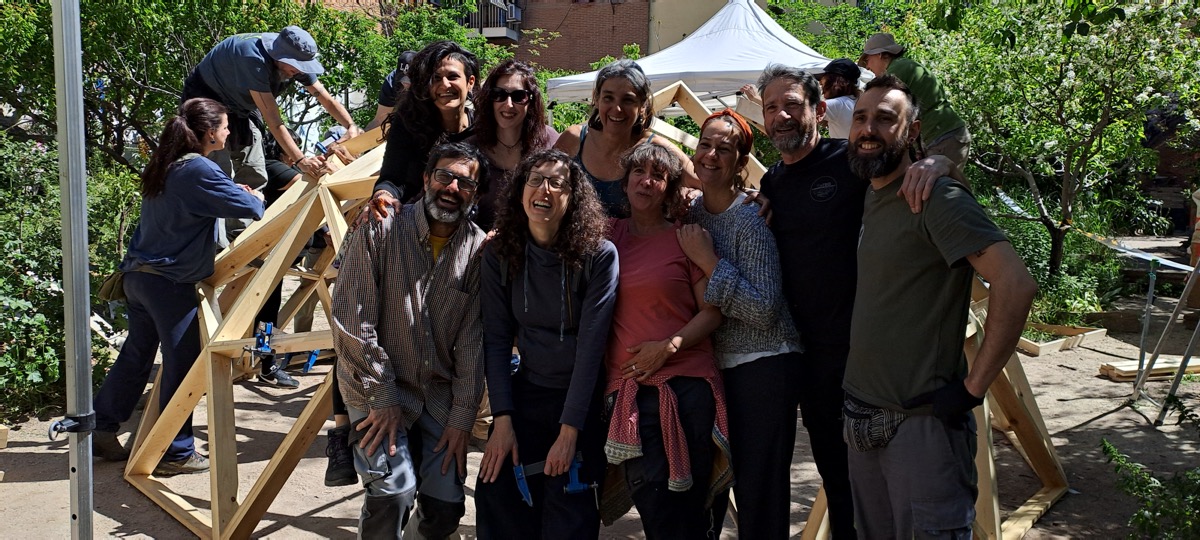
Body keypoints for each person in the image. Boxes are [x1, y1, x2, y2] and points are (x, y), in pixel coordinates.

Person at [754, 63, 958, 539]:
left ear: (819, 110)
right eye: (771, 107)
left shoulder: (849, 163)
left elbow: (904, 168)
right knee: (839, 483)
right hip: (811, 362)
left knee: (890, 495)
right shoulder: (771, 186)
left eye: (792, 104)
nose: (781, 116)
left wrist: (941, 162)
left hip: (869, 362)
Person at [843, 74, 1036, 537]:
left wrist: (971, 390)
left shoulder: (934, 196)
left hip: (920, 426)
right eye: (861, 118)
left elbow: (1016, 284)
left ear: (912, 131)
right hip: (861, 419)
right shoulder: (874, 195)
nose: (869, 129)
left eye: (885, 119)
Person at [91, 98, 266, 475]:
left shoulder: (169, 166)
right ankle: (175, 450)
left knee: (137, 356)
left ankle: (103, 426)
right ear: (208, 133)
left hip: (139, 278)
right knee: (184, 366)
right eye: (223, 125)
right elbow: (251, 209)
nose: (229, 131)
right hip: (168, 283)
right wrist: (254, 196)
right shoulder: (198, 168)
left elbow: (198, 200)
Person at [331, 142, 489, 539]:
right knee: (393, 492)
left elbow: (472, 344)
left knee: (446, 506)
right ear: (425, 179)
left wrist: (462, 418)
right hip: (375, 386)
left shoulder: (478, 250)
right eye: (444, 176)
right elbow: (353, 319)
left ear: (476, 194)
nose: (453, 187)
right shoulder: (380, 228)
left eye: (466, 183)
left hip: (437, 393)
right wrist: (382, 397)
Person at [475, 149, 618, 539]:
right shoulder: (500, 253)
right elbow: (498, 340)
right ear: (521, 190)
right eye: (536, 179)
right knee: (495, 492)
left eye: (558, 183)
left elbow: (591, 350)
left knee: (566, 506)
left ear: (573, 198)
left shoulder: (599, 256)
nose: (546, 189)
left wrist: (568, 433)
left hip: (579, 400)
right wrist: (501, 420)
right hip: (526, 392)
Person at [676, 110, 803, 539]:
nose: (711, 155)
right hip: (717, 367)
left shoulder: (750, 220)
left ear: (740, 161)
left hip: (764, 366)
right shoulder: (691, 212)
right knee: (715, 480)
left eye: (724, 149)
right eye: (705, 144)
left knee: (759, 489)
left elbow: (764, 308)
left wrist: (710, 264)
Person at [604, 144, 731, 539]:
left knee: (689, 512)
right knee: (654, 506)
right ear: (624, 183)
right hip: (628, 394)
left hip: (686, 387)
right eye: (638, 172)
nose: (646, 181)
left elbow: (712, 311)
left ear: (670, 186)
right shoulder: (605, 235)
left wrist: (669, 346)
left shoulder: (686, 238)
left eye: (658, 175)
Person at [182, 26, 361, 186]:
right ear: (279, 55)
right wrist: (300, 160)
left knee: (254, 170)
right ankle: (212, 221)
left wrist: (350, 126)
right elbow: (274, 120)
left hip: (240, 108)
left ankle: (247, 222)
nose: (298, 72)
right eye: (295, 66)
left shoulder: (294, 64)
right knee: (217, 172)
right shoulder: (252, 58)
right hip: (206, 102)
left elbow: (325, 98)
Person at [554, 59, 697, 218]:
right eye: (608, 98)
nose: (617, 109)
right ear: (596, 98)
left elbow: (704, 181)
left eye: (628, 100)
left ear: (642, 106)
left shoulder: (656, 148)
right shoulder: (574, 140)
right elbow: (542, 183)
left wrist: (692, 193)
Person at [370, 41, 480, 218]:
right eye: (436, 78)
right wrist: (382, 196)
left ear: (470, 82)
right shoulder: (409, 124)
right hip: (413, 222)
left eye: (452, 76)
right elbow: (392, 179)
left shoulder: (485, 128)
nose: (444, 85)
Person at [468, 59, 559, 230]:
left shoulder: (550, 142)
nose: (508, 104)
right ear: (490, 99)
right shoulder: (472, 147)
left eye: (518, 96)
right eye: (499, 94)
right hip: (481, 250)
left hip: (533, 249)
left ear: (531, 100)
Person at [859, 32, 971, 171]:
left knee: (938, 188)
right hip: (946, 135)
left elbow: (876, 104)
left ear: (880, 54)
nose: (867, 66)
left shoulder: (897, 70)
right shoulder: (906, 65)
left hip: (943, 137)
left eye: (867, 60)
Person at [365, 50, 417, 131]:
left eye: (409, 80)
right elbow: (380, 120)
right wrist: (363, 136)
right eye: (403, 80)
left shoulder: (430, 81)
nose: (406, 84)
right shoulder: (391, 82)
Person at [819, 58, 862, 139]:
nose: (821, 83)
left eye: (824, 78)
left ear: (833, 81)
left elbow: (804, 114)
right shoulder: (856, 100)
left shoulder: (837, 104)